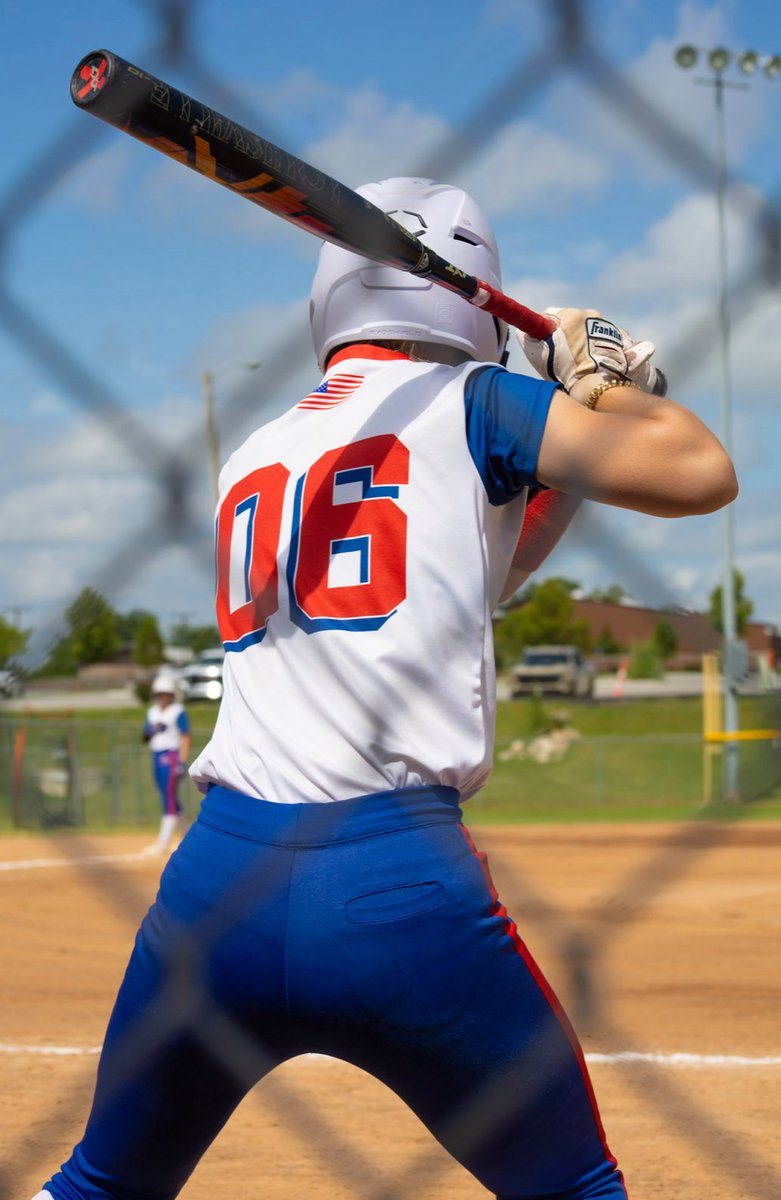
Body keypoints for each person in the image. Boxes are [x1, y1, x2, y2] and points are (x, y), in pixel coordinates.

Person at [33, 178, 736, 1200]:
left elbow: (478, 571)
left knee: (100, 1185)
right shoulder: (478, 404)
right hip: (397, 894)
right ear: (475, 298)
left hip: (214, 894)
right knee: (574, 1189)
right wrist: (606, 381)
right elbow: (695, 471)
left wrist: (572, 443)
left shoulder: (261, 449)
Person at [142, 672, 191, 855]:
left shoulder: (178, 711)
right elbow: (145, 736)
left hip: (171, 756)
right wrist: (150, 731)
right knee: (166, 793)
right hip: (156, 754)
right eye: (160, 693)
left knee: (168, 797)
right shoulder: (152, 712)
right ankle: (186, 837)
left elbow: (185, 736)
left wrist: (181, 760)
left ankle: (163, 843)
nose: (163, 697)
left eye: (166, 693)